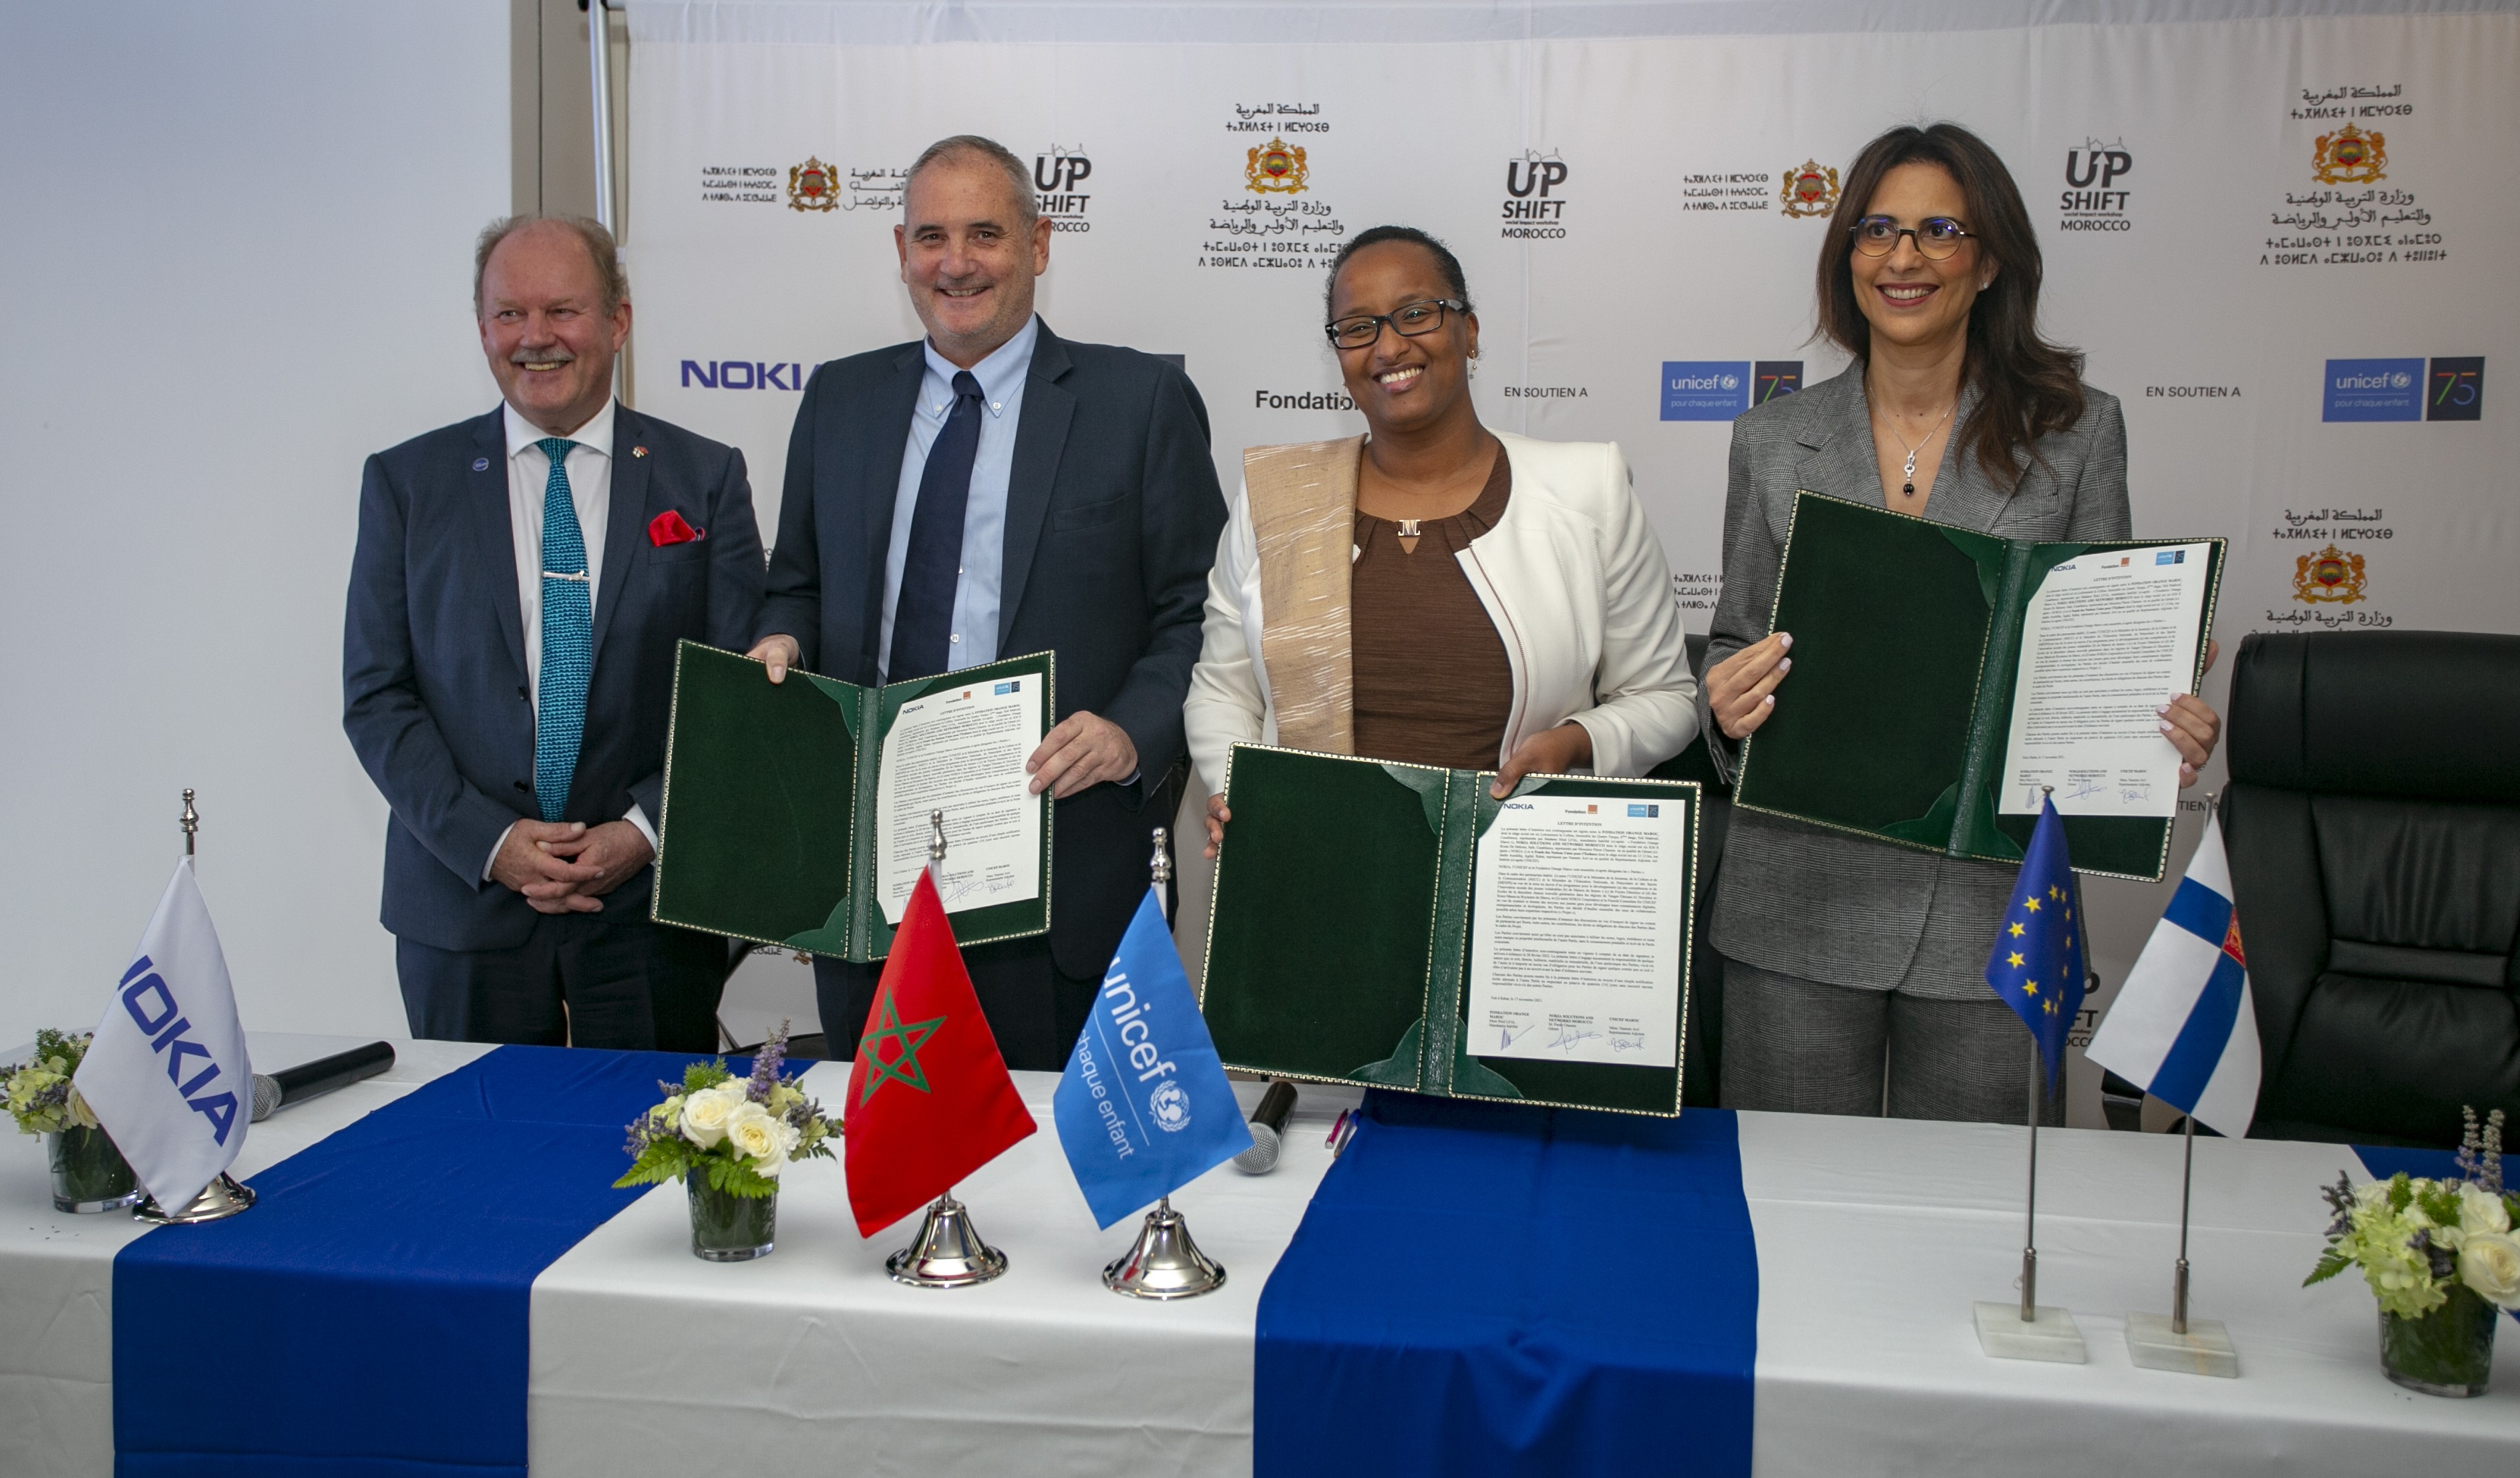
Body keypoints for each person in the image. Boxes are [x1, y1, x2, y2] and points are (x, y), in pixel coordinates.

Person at [1698, 122, 2222, 1121]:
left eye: (1939, 230)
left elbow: (2101, 652)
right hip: (1795, 900)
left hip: (1991, 914)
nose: (1903, 257)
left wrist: (2151, 730)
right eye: (1877, 230)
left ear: (1988, 262)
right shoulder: (1769, 439)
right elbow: (1735, 638)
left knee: (1980, 1209)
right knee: (1791, 1201)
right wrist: (1725, 702)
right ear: (1847, 255)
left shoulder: (2076, 432)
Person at [747, 135, 1226, 1072]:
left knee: (1050, 1156)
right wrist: (782, 640)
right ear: (900, 251)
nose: (956, 263)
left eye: (985, 234)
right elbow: (795, 580)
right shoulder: (839, 399)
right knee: (880, 1139)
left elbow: (1196, 613)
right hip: (872, 878)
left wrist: (1128, 732)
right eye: (931, 237)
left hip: (1058, 870)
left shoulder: (1139, 402)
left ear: (1038, 244)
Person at [344, 217, 765, 1052]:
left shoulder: (705, 478)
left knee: (649, 1137)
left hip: (648, 915)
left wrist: (644, 831)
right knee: (475, 1135)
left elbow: (739, 694)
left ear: (618, 321)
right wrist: (491, 841)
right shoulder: (406, 483)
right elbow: (377, 695)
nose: (535, 337)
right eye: (510, 313)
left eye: (563, 310)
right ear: (482, 328)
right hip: (464, 909)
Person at [1187, 225, 1698, 848]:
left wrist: (1574, 743)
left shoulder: (1588, 488)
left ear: (1469, 331)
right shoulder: (1276, 496)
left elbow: (1663, 697)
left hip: (1515, 864)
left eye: (1415, 314)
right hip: (1318, 862)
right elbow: (1222, 688)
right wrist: (1238, 787)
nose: (1388, 346)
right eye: (1358, 327)